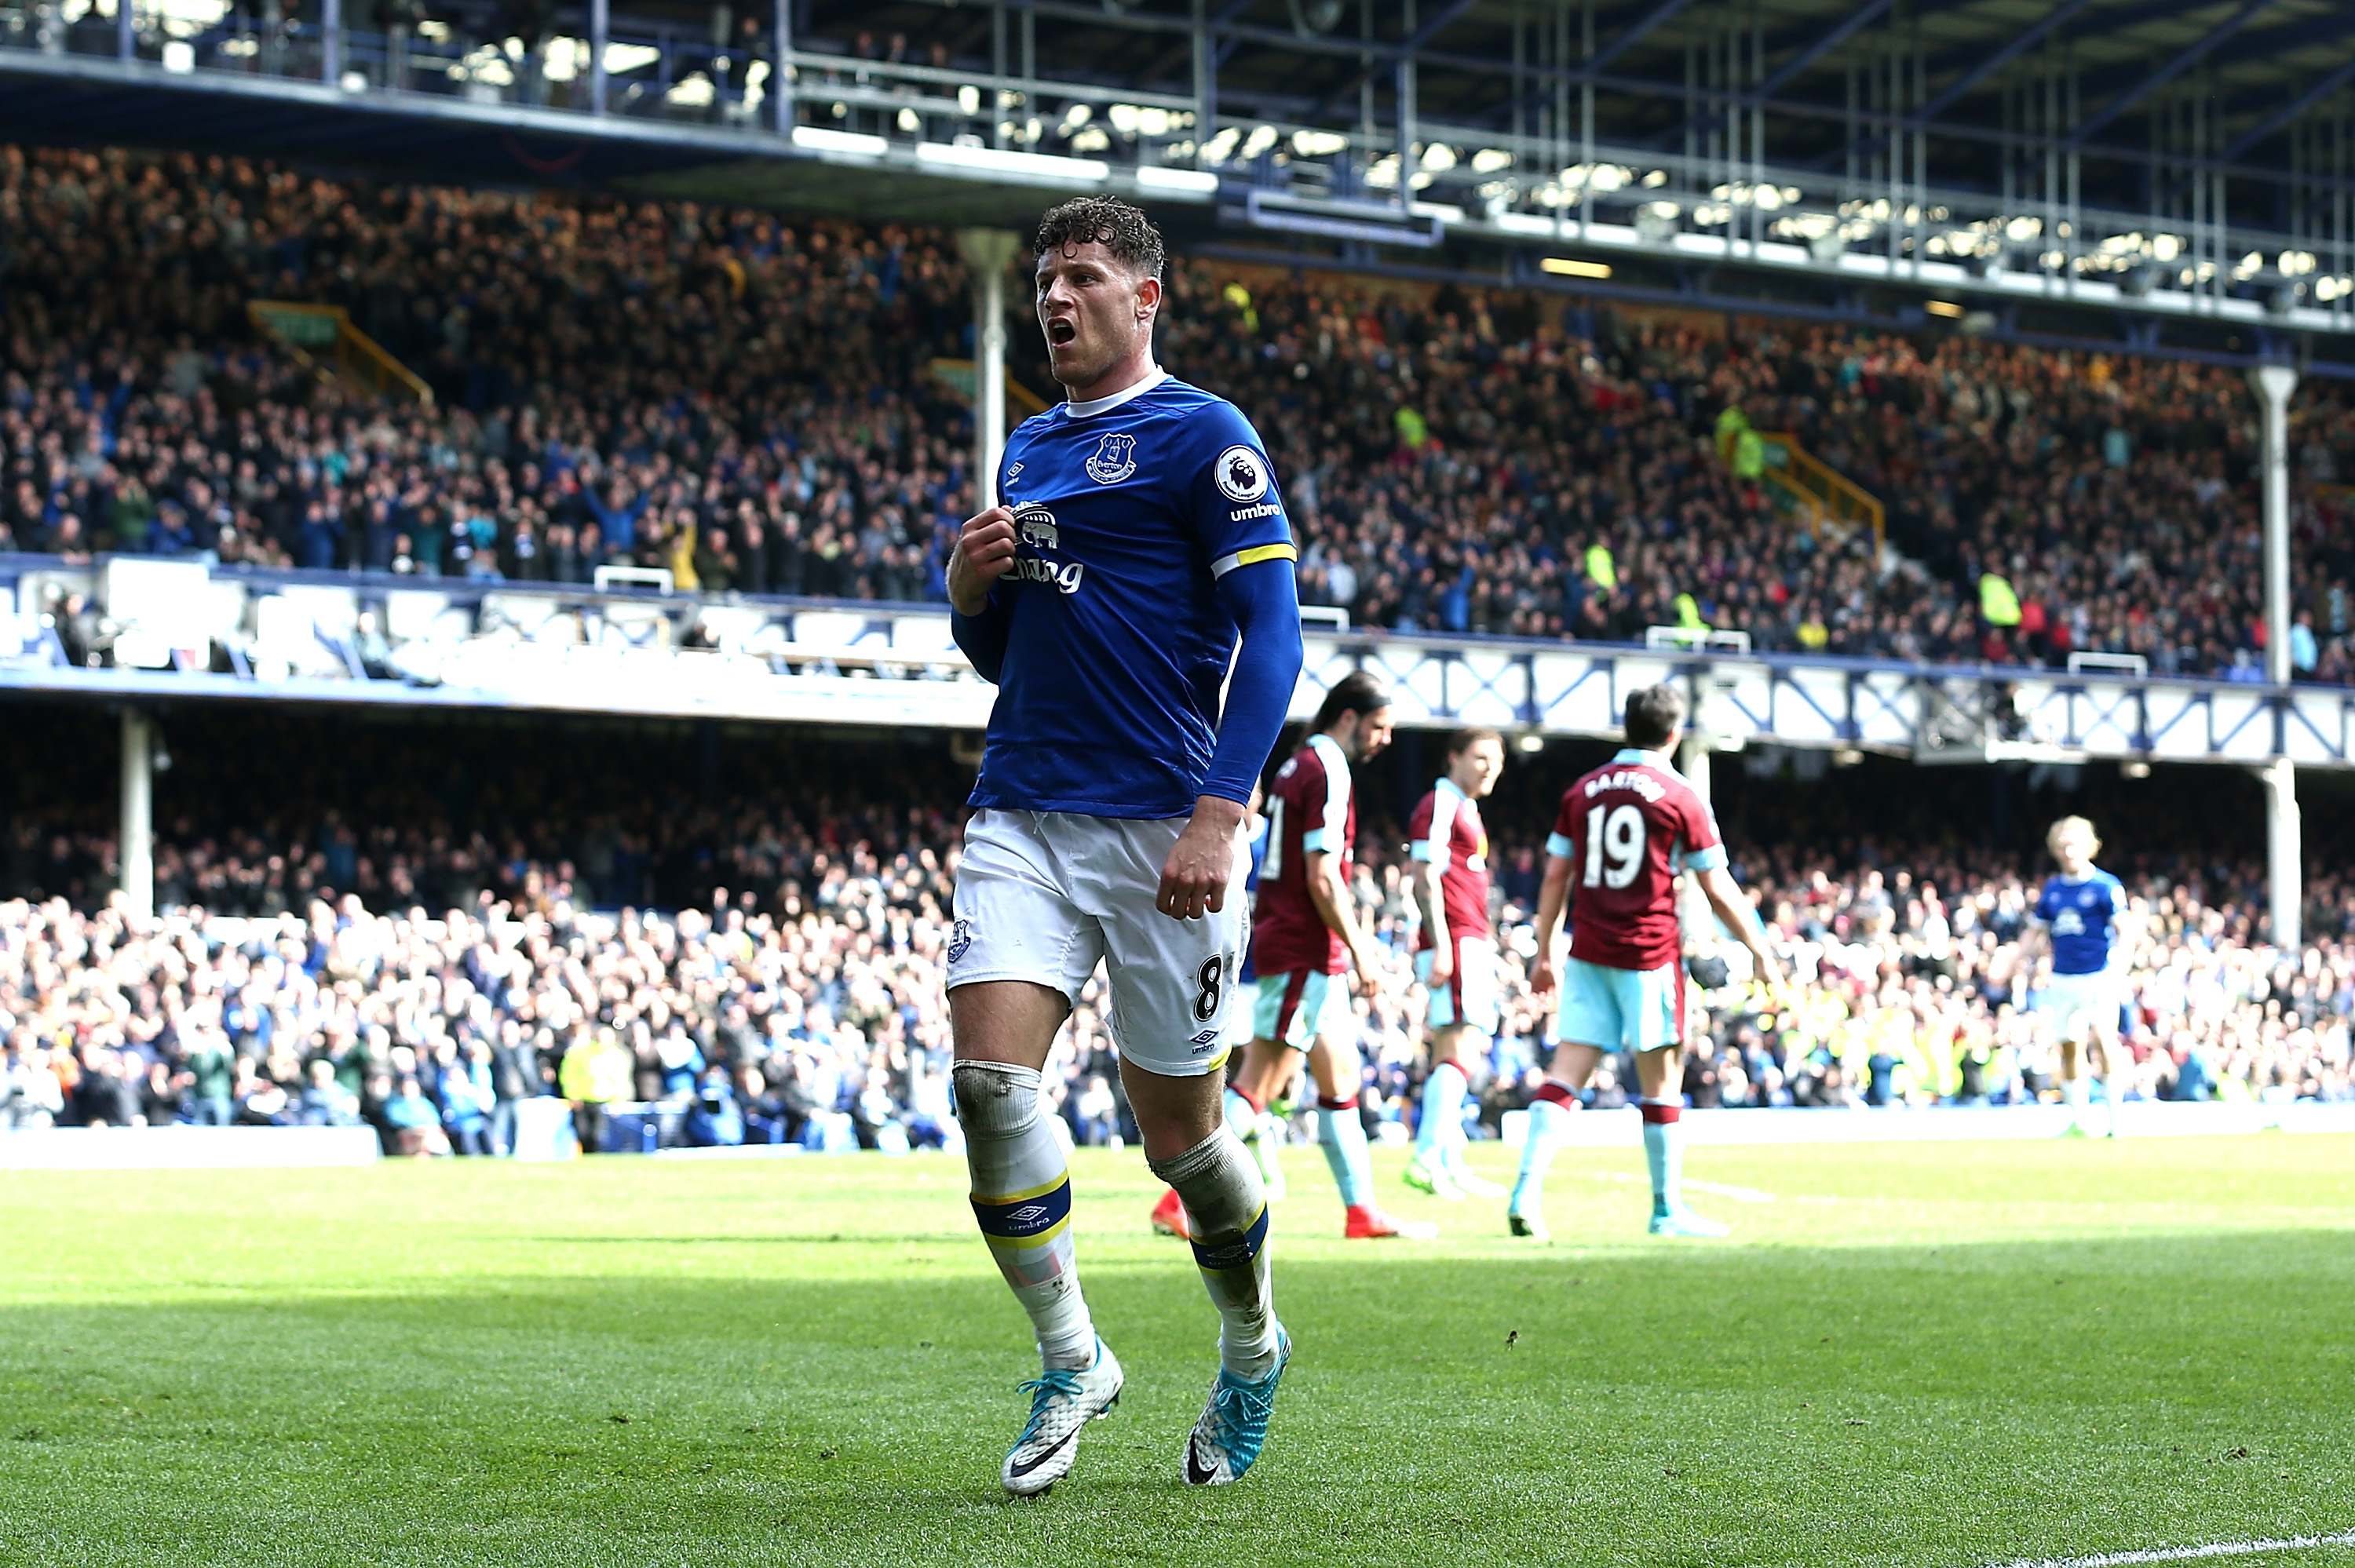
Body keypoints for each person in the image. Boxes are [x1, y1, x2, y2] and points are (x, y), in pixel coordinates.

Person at [944, 196, 1305, 1496]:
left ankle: (1254, 1341)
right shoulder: (1029, 449)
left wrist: (1223, 805)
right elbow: (1010, 651)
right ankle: (1071, 1351)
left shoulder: (1208, 436)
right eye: (1046, 277)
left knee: (1184, 1143)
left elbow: (1274, 635)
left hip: (1166, 823)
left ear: (1144, 296)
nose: (1056, 296)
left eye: (1083, 275)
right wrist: (967, 594)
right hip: (1024, 803)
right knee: (990, 1083)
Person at [1514, 684, 1783, 1239]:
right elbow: (1717, 886)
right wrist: (1759, 949)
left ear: (1626, 728)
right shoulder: (1680, 795)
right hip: (1649, 955)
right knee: (1661, 1082)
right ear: (1674, 733)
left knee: (1566, 1074)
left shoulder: (1584, 791)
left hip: (1588, 950)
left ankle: (1525, 1193)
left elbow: (1555, 877)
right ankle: (1666, 1211)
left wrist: (1545, 951)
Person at [1200, 673, 1430, 1241]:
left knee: (1340, 1078)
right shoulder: (1327, 769)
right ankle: (1181, 1202)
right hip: (1305, 945)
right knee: (1262, 1083)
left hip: (1300, 945)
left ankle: (1361, 1212)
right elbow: (1322, 876)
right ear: (1348, 717)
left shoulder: (1299, 764)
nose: (1386, 739)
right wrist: (1362, 951)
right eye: (1379, 727)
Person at [1401, 727, 1508, 1202]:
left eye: (1497, 759)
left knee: (1458, 1047)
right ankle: (1427, 1158)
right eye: (1480, 757)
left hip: (1468, 938)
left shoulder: (1466, 807)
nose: (1491, 767)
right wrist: (1443, 943)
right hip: (1457, 939)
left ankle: (1449, 1160)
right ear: (1454, 758)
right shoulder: (1441, 803)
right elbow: (1424, 876)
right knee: (1460, 1050)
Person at [2017, 815, 2134, 1136]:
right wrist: (2014, 960)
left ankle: (2115, 1120)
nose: (2068, 851)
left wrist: (2120, 968)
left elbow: (2125, 930)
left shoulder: (2105, 886)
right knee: (2069, 1046)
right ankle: (2078, 1120)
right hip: (2063, 977)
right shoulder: (2053, 889)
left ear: (2089, 847)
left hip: (2098, 974)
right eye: (2062, 845)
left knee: (2105, 1038)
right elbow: (2036, 932)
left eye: (2073, 845)